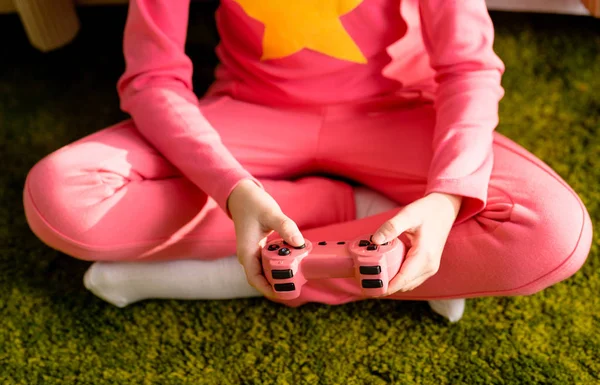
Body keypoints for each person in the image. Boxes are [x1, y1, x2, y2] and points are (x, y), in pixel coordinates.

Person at [23, 0, 592, 322]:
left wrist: (446, 199)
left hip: (398, 117)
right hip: (251, 111)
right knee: (63, 197)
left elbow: (469, 69)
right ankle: (362, 218)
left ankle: (233, 272)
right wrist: (234, 191)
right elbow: (152, 77)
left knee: (551, 234)